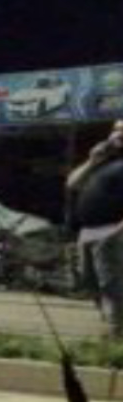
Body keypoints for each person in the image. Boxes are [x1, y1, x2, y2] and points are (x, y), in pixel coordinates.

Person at [67, 121, 123, 336]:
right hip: (88, 230)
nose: (118, 134)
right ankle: (109, 323)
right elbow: (72, 184)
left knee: (110, 282)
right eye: (116, 130)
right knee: (89, 281)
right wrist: (91, 161)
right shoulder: (102, 162)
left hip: (111, 229)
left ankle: (117, 329)